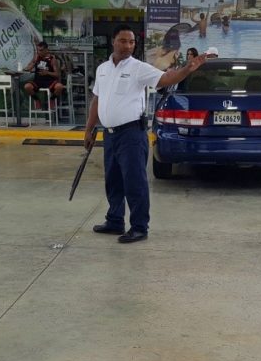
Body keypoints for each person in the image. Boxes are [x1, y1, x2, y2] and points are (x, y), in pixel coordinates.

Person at [84, 25, 207, 243]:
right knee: (113, 180)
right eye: (123, 41)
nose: (128, 46)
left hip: (132, 134)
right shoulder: (102, 68)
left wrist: (188, 69)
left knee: (134, 182)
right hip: (110, 135)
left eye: (131, 42)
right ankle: (115, 220)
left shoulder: (138, 68)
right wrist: (89, 129)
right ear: (114, 41)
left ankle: (139, 226)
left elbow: (167, 79)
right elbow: (96, 100)